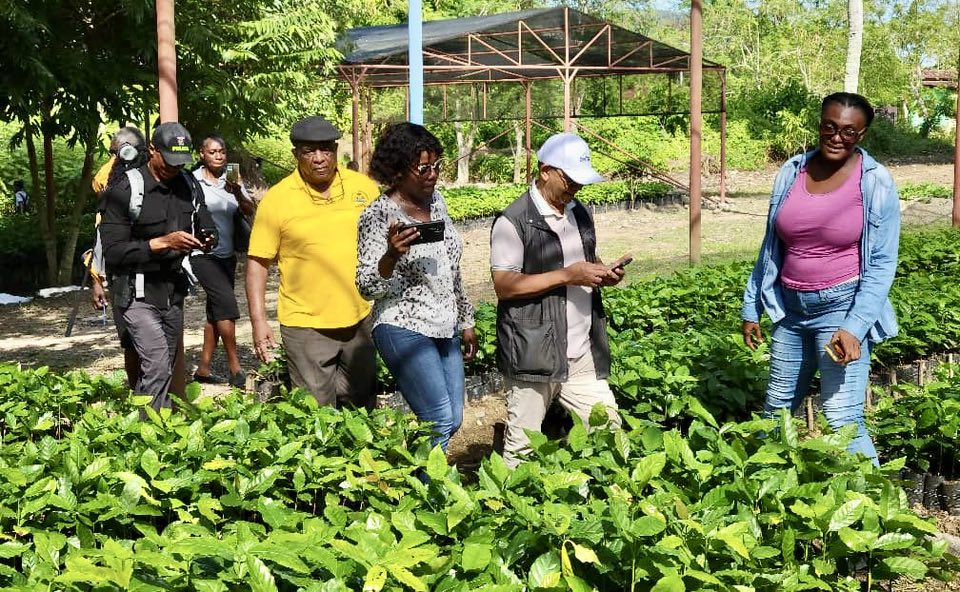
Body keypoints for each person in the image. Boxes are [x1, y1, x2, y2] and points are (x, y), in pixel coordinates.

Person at [741, 92, 900, 466]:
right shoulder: (792, 171)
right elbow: (771, 244)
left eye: (849, 131)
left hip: (842, 308)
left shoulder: (875, 182)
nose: (837, 136)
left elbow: (882, 263)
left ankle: (873, 505)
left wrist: (855, 327)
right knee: (775, 413)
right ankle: (762, 497)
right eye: (829, 127)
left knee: (842, 417)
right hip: (790, 311)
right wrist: (752, 304)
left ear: (861, 135)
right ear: (819, 125)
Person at [490, 132, 625, 468]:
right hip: (535, 352)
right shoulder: (513, 221)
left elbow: (583, 263)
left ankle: (603, 500)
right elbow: (504, 285)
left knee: (609, 431)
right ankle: (506, 514)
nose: (574, 189)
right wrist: (568, 275)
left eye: (580, 182)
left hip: (581, 351)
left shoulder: (579, 213)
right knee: (521, 446)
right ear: (545, 170)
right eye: (569, 180)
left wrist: (601, 274)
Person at [356, 122, 477, 450]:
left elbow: (452, 269)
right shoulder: (377, 215)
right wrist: (390, 256)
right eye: (423, 167)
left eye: (437, 165)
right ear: (397, 170)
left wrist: (466, 321)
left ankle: (410, 471)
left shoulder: (437, 202)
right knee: (437, 419)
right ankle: (430, 496)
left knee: (453, 419)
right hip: (402, 326)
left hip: (444, 325)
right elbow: (366, 287)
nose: (433, 174)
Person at [245, 115, 380, 408]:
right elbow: (257, 262)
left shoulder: (363, 189)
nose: (319, 159)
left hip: (360, 319)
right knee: (316, 412)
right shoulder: (278, 200)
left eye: (326, 149)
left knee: (361, 403)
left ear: (335, 149)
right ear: (296, 154)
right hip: (306, 325)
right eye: (309, 151)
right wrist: (258, 321)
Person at [100, 122, 217, 412]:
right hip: (136, 292)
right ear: (152, 150)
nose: (173, 169)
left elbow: (206, 223)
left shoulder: (188, 184)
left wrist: (207, 239)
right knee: (157, 365)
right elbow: (113, 252)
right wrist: (162, 243)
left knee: (161, 367)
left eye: (180, 163)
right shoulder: (126, 189)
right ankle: (156, 433)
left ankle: (146, 425)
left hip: (172, 291)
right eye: (168, 161)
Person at [190, 134, 256, 388]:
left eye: (222, 152)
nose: (218, 156)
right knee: (227, 306)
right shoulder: (192, 182)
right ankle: (235, 367)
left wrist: (238, 190)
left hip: (227, 256)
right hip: (202, 255)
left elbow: (250, 211)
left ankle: (204, 368)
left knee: (215, 312)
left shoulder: (231, 182)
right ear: (201, 154)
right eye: (212, 152)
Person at [89, 126, 150, 388]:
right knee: (129, 339)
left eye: (115, 152)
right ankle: (136, 390)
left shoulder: (154, 181)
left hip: (152, 272)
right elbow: (101, 237)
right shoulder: (109, 183)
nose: (113, 158)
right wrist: (96, 279)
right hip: (121, 275)